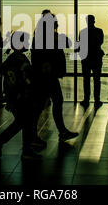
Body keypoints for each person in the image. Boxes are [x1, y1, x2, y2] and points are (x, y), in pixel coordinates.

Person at [0, 31, 41, 160]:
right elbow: (22, 80)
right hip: (20, 98)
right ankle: (22, 148)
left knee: (22, 122)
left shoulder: (12, 59)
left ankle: (17, 146)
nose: (28, 43)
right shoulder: (20, 60)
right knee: (25, 122)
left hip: (16, 98)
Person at [31, 10, 79, 144]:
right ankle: (59, 131)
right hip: (47, 76)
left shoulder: (44, 36)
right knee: (52, 102)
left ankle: (36, 134)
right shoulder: (49, 36)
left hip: (45, 76)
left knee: (44, 104)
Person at [78, 15, 104, 109]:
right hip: (96, 58)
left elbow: (81, 45)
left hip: (86, 58)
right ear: (94, 21)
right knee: (97, 80)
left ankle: (86, 99)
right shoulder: (99, 31)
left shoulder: (83, 32)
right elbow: (100, 42)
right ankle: (97, 100)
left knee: (86, 80)